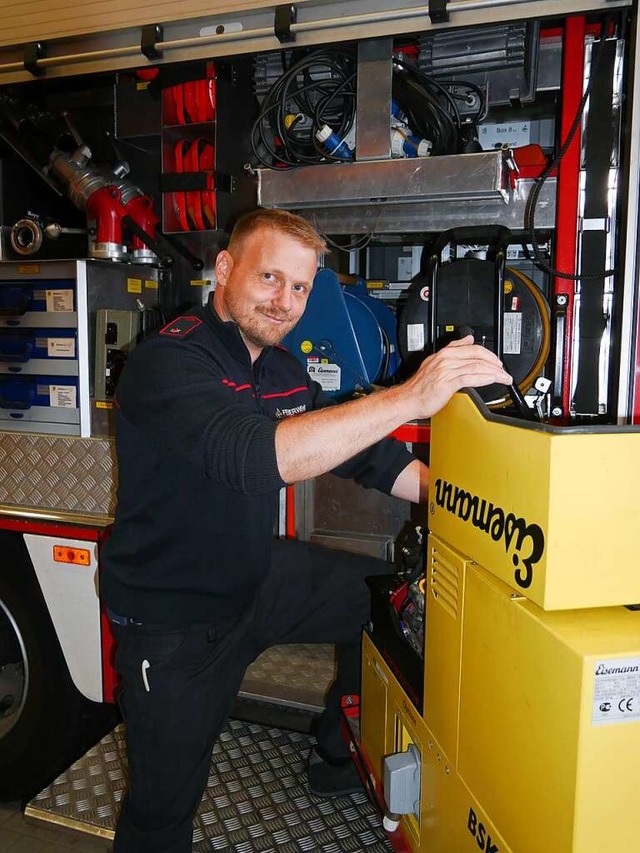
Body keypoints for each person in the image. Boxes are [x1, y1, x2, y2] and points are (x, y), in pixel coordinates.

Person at [100, 207, 512, 852]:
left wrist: (452, 497)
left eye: (299, 287)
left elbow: (360, 452)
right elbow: (257, 457)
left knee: (382, 603)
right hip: (174, 618)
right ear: (225, 269)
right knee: (162, 805)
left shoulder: (280, 368)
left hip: (255, 577)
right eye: (269, 278)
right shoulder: (168, 363)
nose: (285, 301)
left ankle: (336, 754)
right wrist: (409, 396)